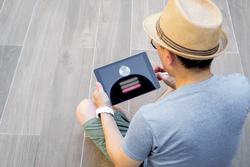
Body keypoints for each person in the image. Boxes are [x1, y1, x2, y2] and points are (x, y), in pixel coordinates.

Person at [76, 0, 250, 166]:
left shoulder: (150, 117)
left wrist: (105, 109)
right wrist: (176, 84)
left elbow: (123, 163)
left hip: (145, 140)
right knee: (137, 119)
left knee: (87, 107)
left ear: (168, 56)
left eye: (156, 44)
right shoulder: (241, 86)